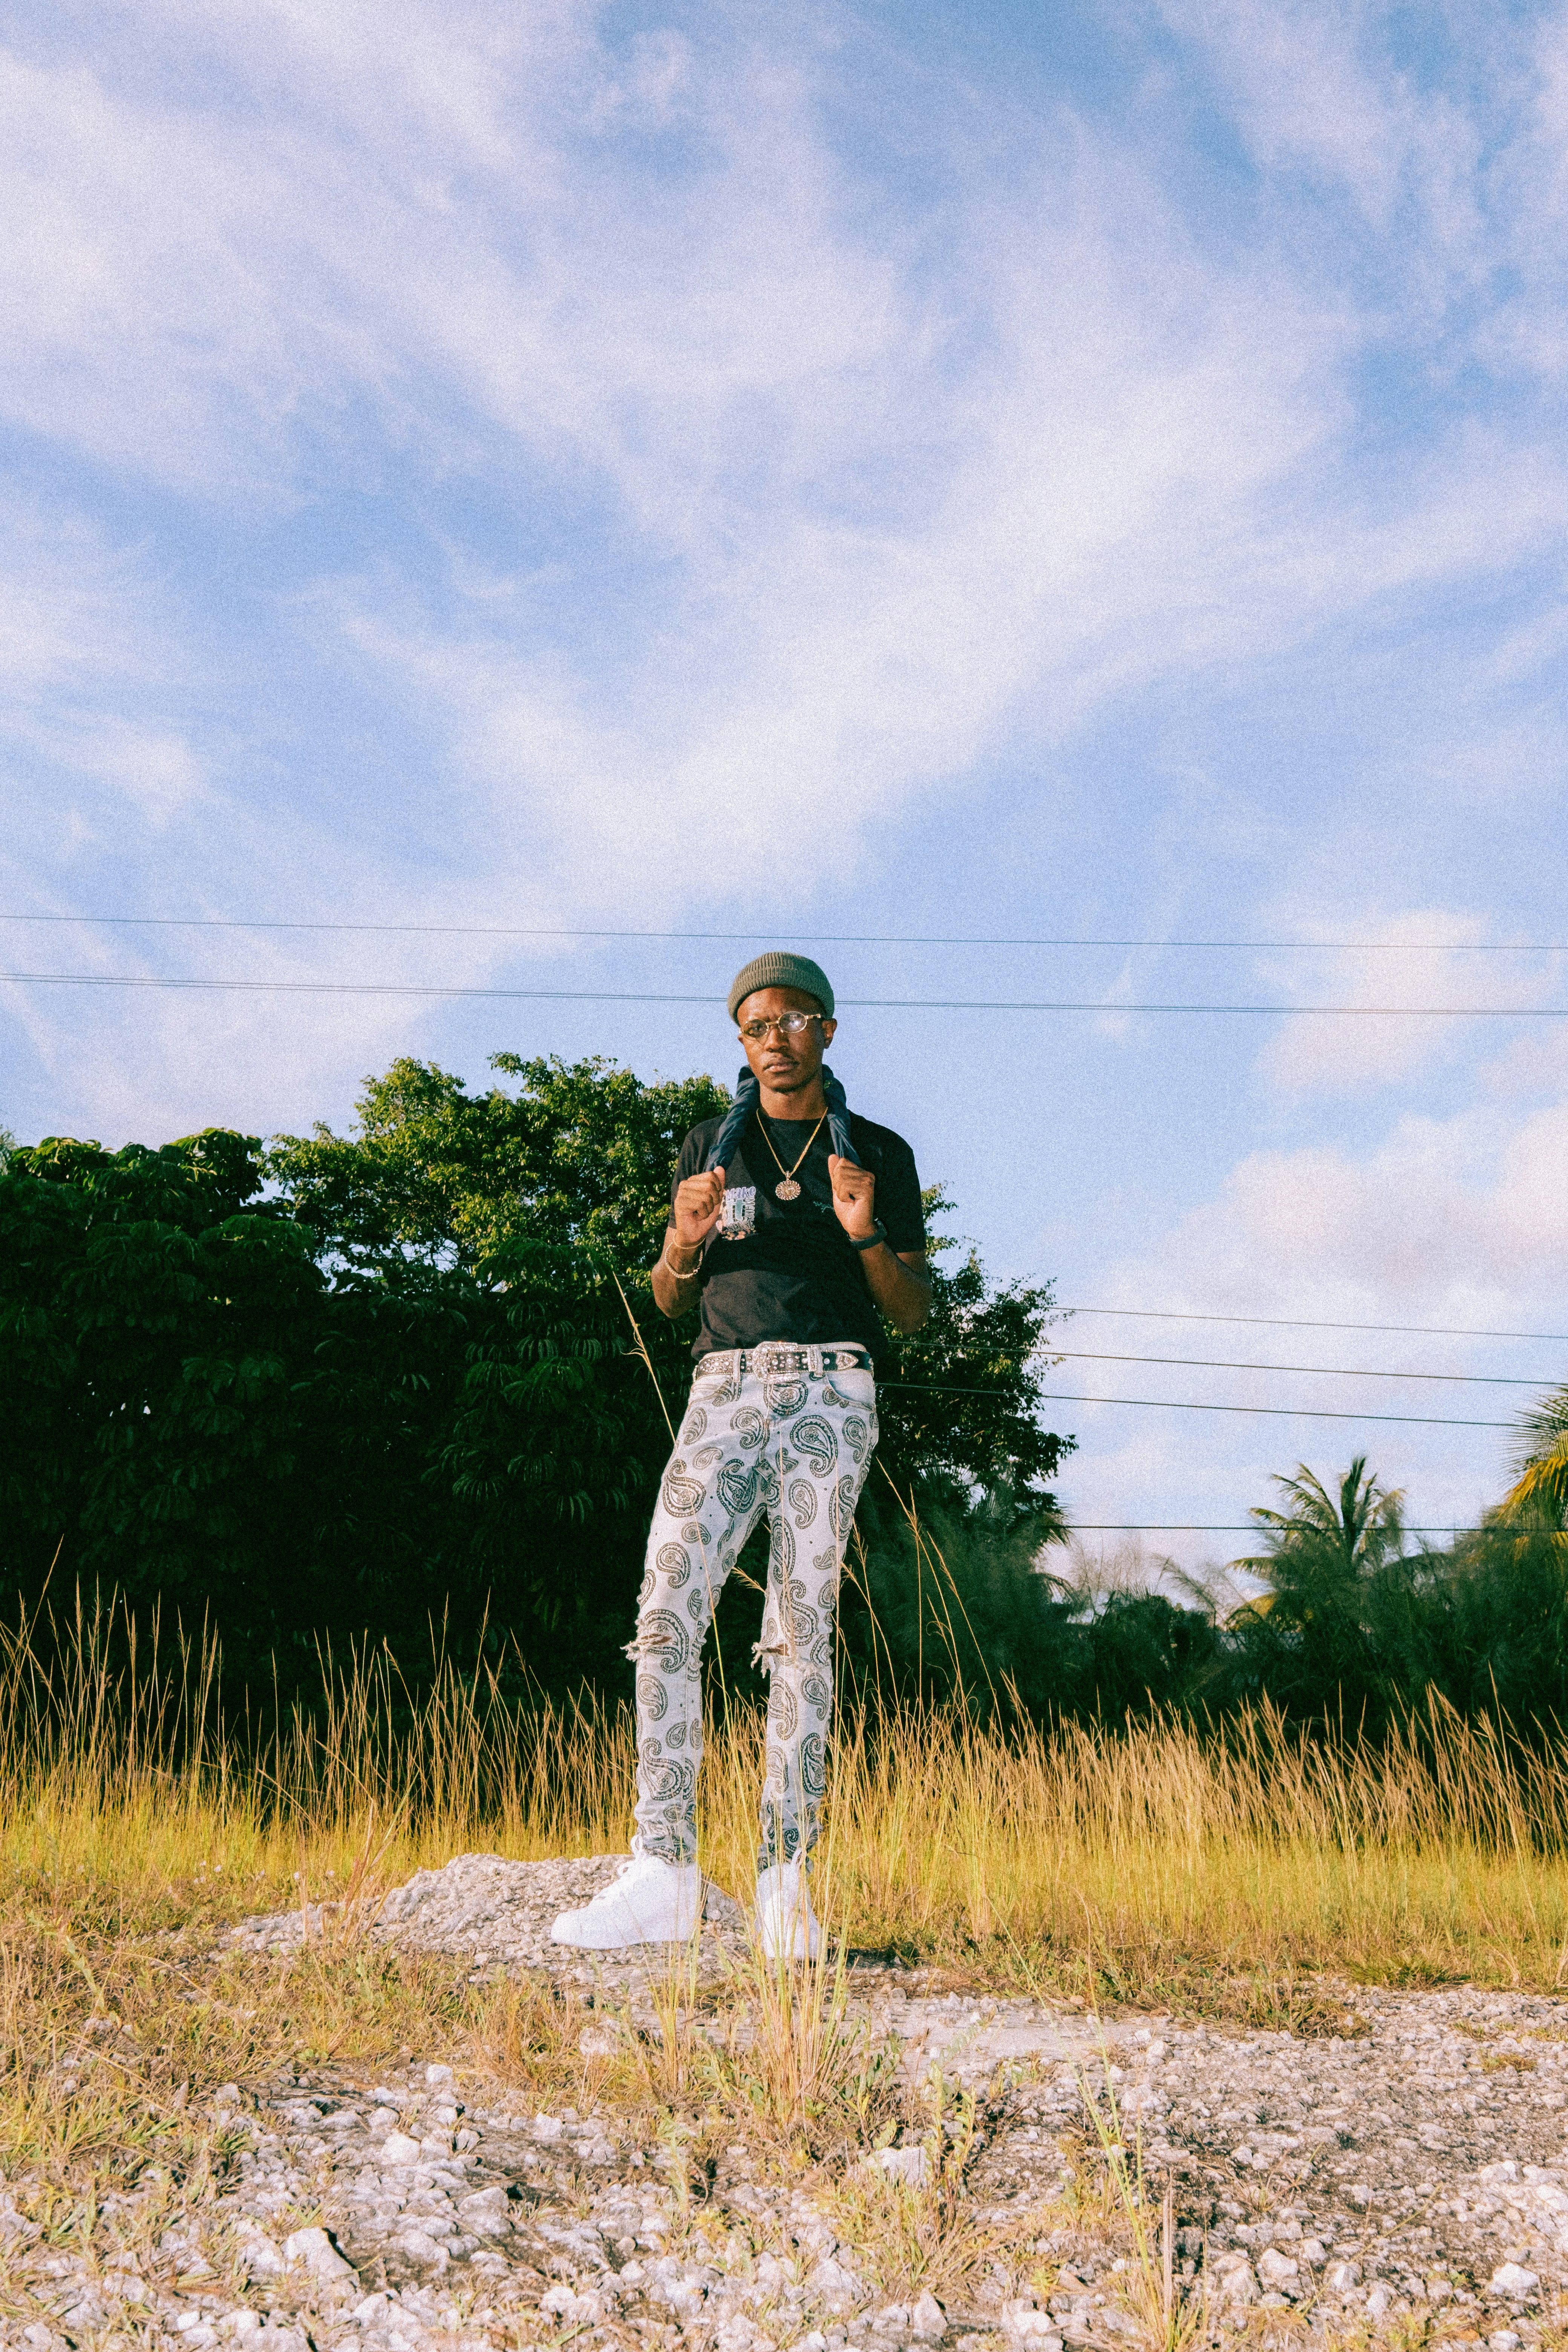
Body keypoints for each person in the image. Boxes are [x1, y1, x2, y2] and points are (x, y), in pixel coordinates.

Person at [551, 951, 931, 1957]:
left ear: (828, 1033)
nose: (777, 1039)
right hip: (722, 1388)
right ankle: (665, 1870)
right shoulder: (708, 1147)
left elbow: (915, 1309)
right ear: (742, 1041)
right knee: (667, 1607)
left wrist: (864, 1235)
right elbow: (671, 1295)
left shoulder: (878, 1151)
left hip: (831, 1388)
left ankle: (784, 1880)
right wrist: (681, 1239)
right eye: (758, 1025)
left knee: (800, 1629)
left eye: (796, 1021)